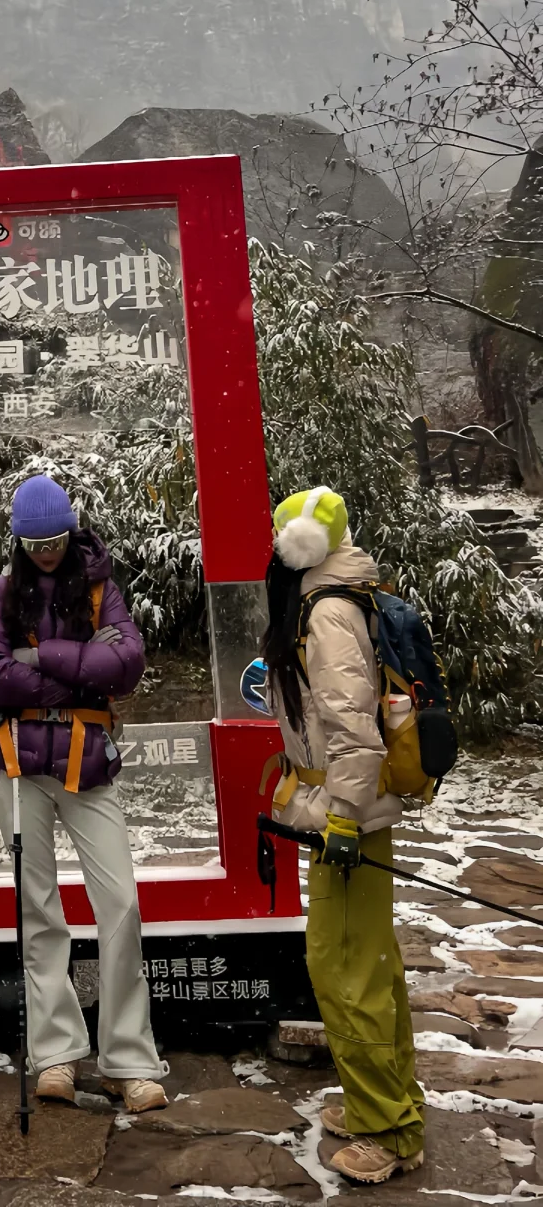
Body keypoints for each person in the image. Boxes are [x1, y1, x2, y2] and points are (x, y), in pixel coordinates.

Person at [0, 474, 167, 1113]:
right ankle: (55, 1055)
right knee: (38, 910)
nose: (47, 553)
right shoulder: (1, 593)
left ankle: (129, 1059)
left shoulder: (102, 588)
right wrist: (78, 668)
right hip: (19, 764)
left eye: (54, 540)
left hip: (88, 760)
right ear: (18, 542)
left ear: (71, 533)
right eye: (35, 544)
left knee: (121, 902)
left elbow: (127, 666)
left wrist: (36, 658)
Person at [262, 486, 425, 1186]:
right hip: (349, 808)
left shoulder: (326, 612)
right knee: (371, 965)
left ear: (298, 545)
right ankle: (390, 1106)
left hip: (347, 815)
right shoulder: (344, 595)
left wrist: (342, 819)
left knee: (345, 972)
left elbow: (353, 729)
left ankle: (385, 1130)